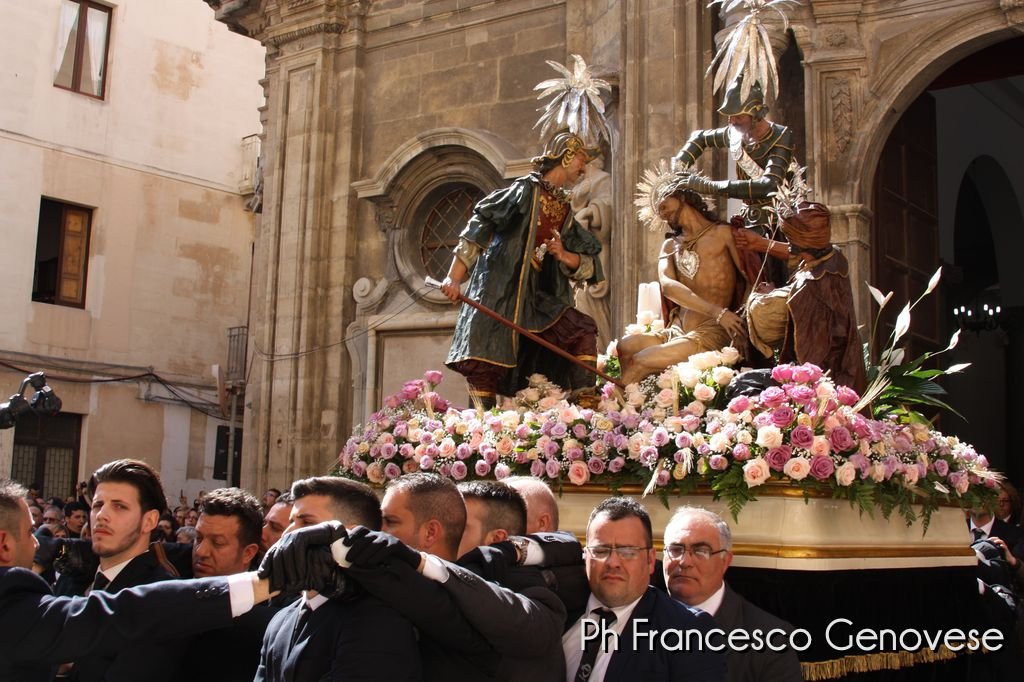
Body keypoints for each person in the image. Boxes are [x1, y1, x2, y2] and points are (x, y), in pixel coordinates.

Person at [0, 478, 341, 682]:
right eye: (31, 533)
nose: (201, 552)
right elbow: (135, 610)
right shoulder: (12, 598)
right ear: (4, 544)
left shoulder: (280, 621)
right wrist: (264, 583)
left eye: (119, 506)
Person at [342, 473, 566, 681]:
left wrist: (419, 562)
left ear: (497, 539)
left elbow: (446, 609)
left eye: (462, 524)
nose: (452, 531)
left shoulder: (528, 592)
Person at [440, 131, 604, 407]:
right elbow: (481, 224)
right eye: (581, 160)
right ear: (565, 156)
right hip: (500, 292)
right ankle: (478, 427)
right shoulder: (525, 191)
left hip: (536, 299)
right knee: (485, 366)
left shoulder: (562, 208)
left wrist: (563, 254)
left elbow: (588, 259)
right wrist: (453, 278)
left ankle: (586, 408)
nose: (584, 168)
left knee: (582, 329)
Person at [255, 476, 421, 682]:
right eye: (291, 522)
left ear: (349, 537)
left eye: (307, 522)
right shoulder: (281, 619)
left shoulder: (378, 620)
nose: (288, 534)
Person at [561, 497, 725, 681]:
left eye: (627, 552)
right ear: (585, 556)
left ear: (650, 560)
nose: (613, 562)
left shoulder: (687, 631)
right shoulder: (558, 609)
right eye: (600, 551)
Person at [618, 186, 747, 385]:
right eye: (657, 209)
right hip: (678, 329)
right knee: (626, 346)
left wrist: (740, 321)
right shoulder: (670, 246)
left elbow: (749, 278)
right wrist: (716, 311)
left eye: (663, 203)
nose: (660, 212)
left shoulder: (723, 233)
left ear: (681, 196)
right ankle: (637, 397)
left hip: (712, 329)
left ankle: (616, 404)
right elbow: (668, 286)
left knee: (640, 361)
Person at [738, 202, 867, 392]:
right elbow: (798, 251)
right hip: (845, 365)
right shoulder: (834, 257)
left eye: (789, 237)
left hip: (821, 378)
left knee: (742, 384)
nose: (788, 242)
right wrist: (760, 243)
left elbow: (806, 351)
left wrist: (769, 296)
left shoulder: (807, 286)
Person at [663, 506, 801, 682]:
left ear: (725, 561)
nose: (684, 561)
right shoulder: (637, 619)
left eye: (701, 551)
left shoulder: (772, 640)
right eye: (676, 549)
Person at [73, 459, 182, 681]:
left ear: (149, 521)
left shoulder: (160, 599)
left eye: (119, 506)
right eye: (98, 505)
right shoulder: (78, 580)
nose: (101, 515)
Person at [186, 487, 279, 682]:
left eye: (217, 543)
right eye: (198, 538)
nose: (201, 551)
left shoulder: (268, 627)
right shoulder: (169, 598)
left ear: (248, 553)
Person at [570, 156, 615, 350]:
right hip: (576, 255)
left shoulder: (602, 179)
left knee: (588, 297)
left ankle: (601, 348)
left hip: (596, 252)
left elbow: (608, 205)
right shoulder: (579, 185)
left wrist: (590, 212)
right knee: (577, 300)